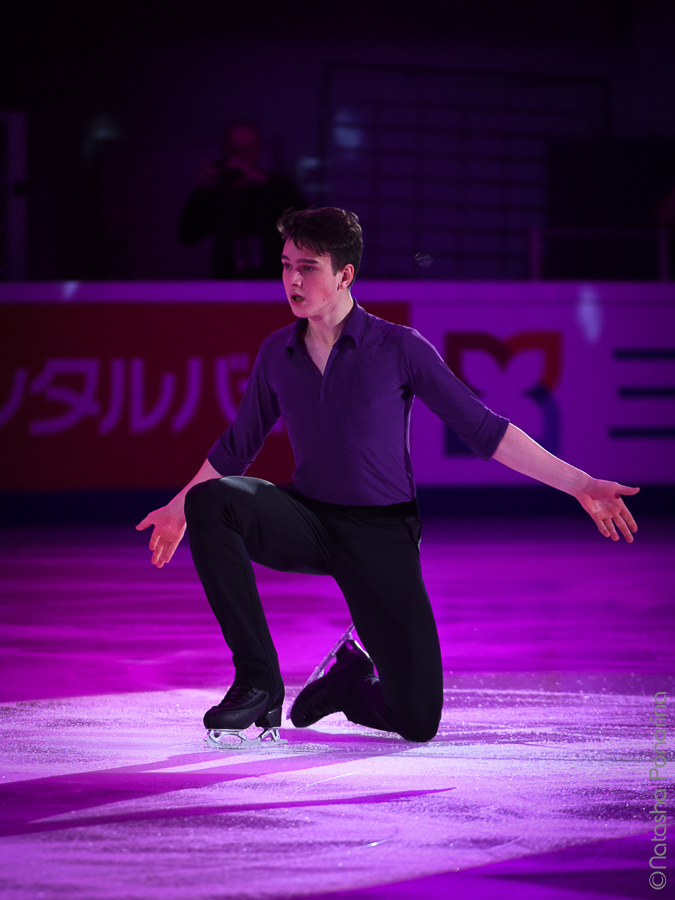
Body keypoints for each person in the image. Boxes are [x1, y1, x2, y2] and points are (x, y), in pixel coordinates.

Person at [137, 207, 639, 744]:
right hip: (308, 519)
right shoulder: (277, 353)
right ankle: (258, 681)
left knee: (417, 720)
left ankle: (348, 682)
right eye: (286, 265)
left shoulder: (399, 347)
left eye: (307, 267)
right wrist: (177, 508)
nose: (292, 279)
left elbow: (485, 430)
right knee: (212, 501)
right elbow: (239, 446)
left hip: (381, 535)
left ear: (344, 275)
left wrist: (581, 484)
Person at [177, 119, 306, 279]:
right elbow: (187, 235)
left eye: (248, 149)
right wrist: (202, 190)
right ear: (226, 149)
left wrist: (262, 181)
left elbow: (303, 227)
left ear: (258, 148)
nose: (242, 157)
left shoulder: (277, 186)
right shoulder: (218, 190)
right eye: (236, 150)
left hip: (272, 281)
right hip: (226, 283)